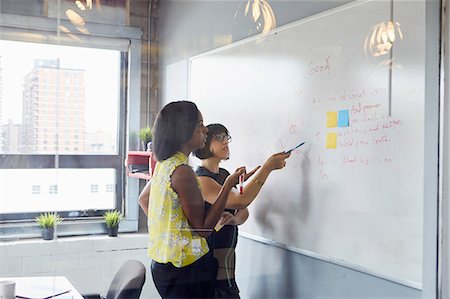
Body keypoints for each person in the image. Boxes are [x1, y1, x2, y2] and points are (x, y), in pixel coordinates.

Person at [138, 101, 245, 299]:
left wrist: (171, 231)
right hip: (186, 269)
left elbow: (144, 199)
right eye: (200, 124)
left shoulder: (165, 164)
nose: (205, 129)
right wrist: (228, 185)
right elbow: (203, 229)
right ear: (184, 130)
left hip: (164, 265)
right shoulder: (183, 171)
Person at [193, 123, 291, 298]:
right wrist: (267, 167)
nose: (226, 143)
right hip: (211, 258)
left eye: (226, 138)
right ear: (205, 143)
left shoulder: (224, 174)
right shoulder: (202, 179)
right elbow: (240, 200)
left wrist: (235, 220)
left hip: (228, 254)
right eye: (219, 138)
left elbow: (242, 210)